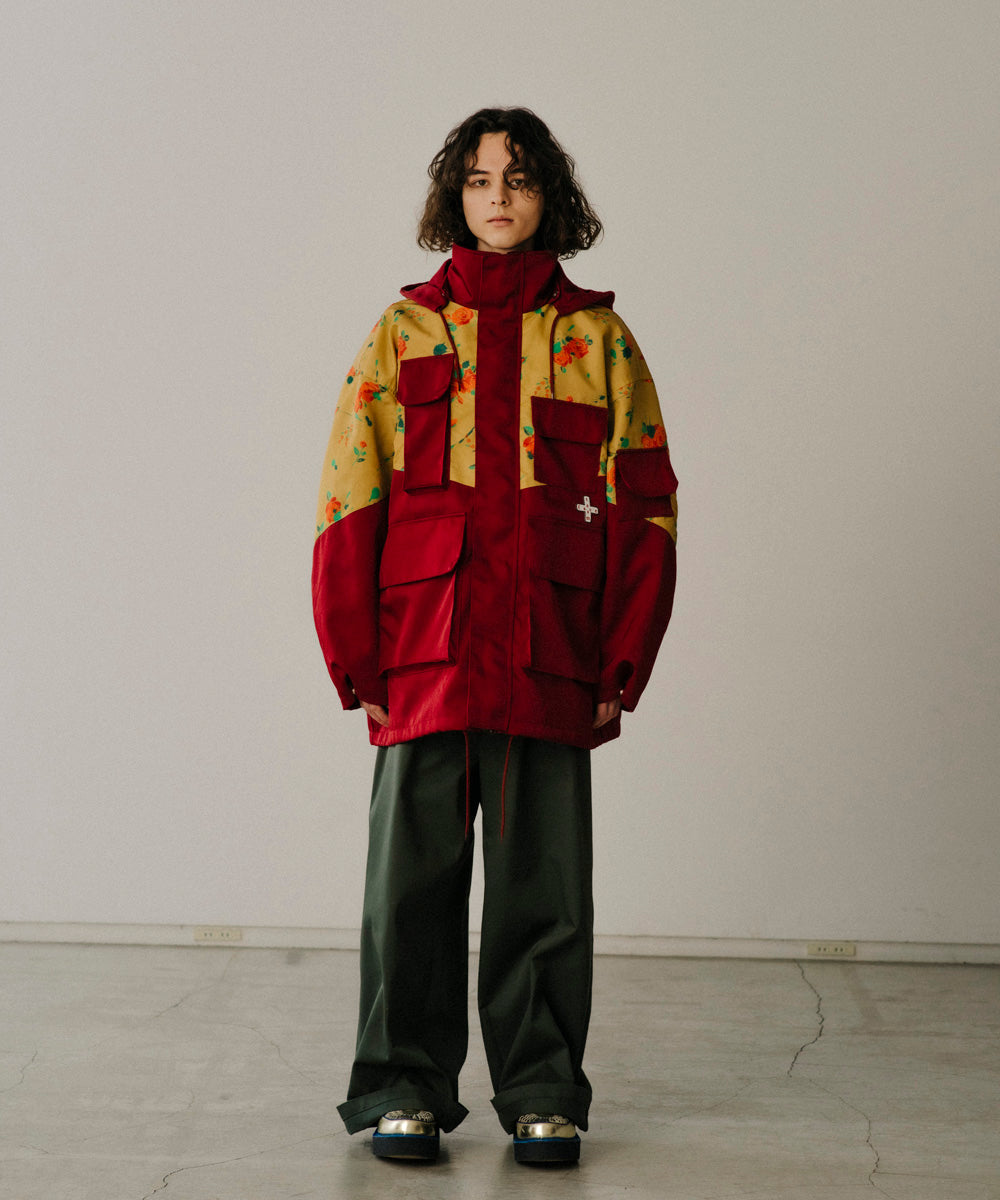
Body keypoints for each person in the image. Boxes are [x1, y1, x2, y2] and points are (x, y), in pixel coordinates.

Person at [312, 107, 677, 1165]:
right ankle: (402, 1087)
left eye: (517, 179)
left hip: (549, 651)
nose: (499, 197)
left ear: (547, 194)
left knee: (544, 892)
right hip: (423, 652)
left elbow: (645, 504)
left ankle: (542, 1090)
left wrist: (623, 655)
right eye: (478, 181)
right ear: (455, 198)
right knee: (408, 889)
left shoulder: (599, 342)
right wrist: (352, 654)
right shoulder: (403, 333)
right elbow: (348, 495)